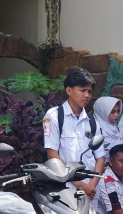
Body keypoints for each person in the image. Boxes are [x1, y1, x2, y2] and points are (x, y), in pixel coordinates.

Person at [43, 67, 105, 197]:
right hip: (65, 189)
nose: (87, 95)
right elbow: (52, 155)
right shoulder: (54, 116)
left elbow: (100, 158)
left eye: (89, 91)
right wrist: (80, 185)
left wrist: (91, 186)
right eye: (82, 90)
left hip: (91, 192)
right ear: (69, 90)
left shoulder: (92, 122)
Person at [93, 96, 123, 161]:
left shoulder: (119, 129)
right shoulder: (96, 130)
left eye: (118, 111)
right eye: (112, 112)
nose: (116, 115)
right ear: (102, 112)